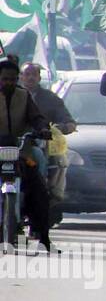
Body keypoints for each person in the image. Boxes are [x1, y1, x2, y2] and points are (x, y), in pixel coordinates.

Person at [0, 59, 52, 250]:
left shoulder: (24, 96)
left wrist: (43, 128)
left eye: (13, 80)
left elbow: (36, 118)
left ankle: (43, 235)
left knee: (39, 189)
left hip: (20, 152)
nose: (9, 83)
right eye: (5, 79)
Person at [19, 63, 74, 225]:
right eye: (26, 74)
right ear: (20, 77)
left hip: (33, 147)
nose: (30, 77)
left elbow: (67, 120)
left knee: (40, 161)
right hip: (8, 146)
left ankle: (39, 191)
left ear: (39, 77)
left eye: (33, 74)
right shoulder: (8, 96)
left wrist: (63, 127)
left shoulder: (49, 99)